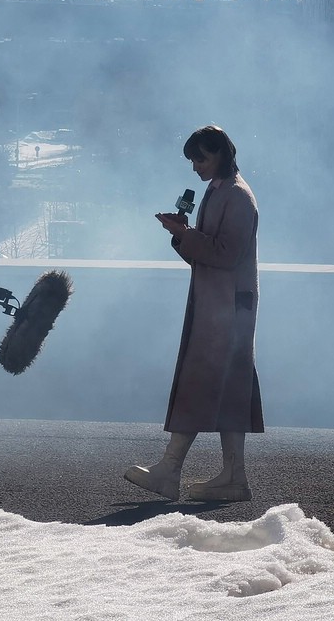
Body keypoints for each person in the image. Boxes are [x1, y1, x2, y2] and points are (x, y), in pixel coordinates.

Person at [124, 124, 263, 502]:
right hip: (222, 302)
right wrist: (182, 233)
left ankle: (169, 470)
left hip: (226, 305)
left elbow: (224, 254)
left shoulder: (236, 196)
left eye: (200, 158)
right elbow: (208, 254)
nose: (195, 166)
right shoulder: (219, 191)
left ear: (220, 153)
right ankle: (233, 475)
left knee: (199, 380)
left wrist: (185, 235)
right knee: (230, 389)